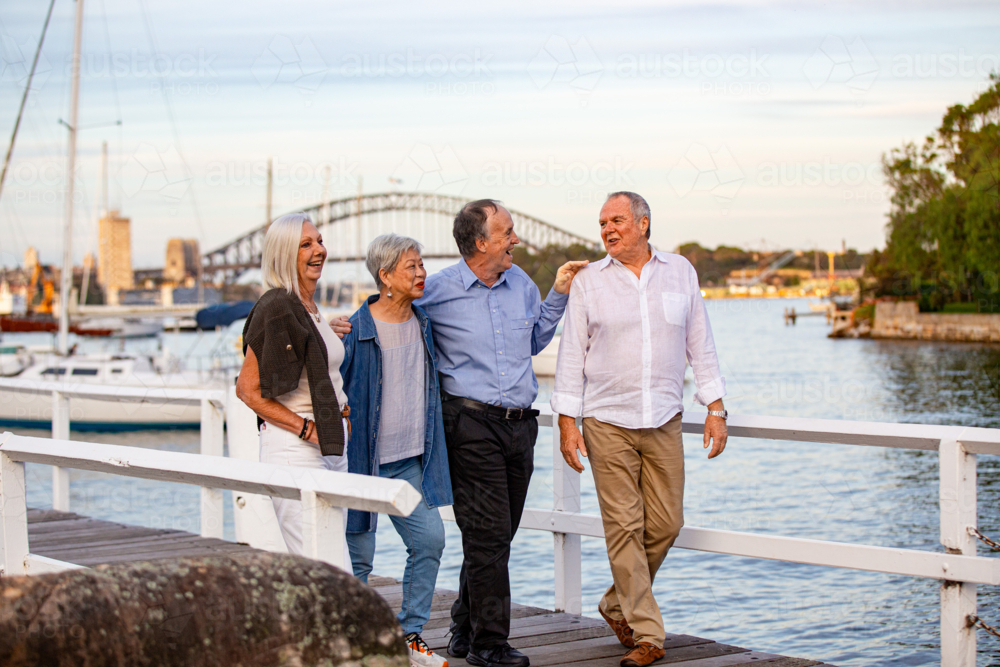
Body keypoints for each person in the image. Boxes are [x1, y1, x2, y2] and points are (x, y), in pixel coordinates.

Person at [551, 192, 729, 667]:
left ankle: (616, 602)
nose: (607, 229)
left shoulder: (680, 271)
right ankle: (648, 635)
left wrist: (715, 405)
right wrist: (568, 423)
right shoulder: (589, 282)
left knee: (668, 522)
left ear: (644, 224)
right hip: (606, 419)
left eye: (617, 220)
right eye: (602, 222)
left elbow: (700, 341)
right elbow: (571, 355)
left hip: (665, 417)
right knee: (624, 526)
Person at [418, 200, 587, 667]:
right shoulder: (436, 290)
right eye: (507, 231)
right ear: (481, 242)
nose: (516, 239)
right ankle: (488, 645)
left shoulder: (523, 285)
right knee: (489, 536)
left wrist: (558, 294)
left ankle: (461, 624)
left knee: (496, 536)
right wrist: (345, 327)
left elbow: (535, 341)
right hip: (469, 425)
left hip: (520, 428)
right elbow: (388, 314)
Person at [340, 234, 452, 667]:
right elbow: (330, 393)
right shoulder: (354, 332)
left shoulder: (424, 323)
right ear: (385, 276)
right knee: (358, 563)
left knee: (430, 541)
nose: (422, 272)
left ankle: (411, 633)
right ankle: (356, 642)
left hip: (411, 464)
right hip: (361, 467)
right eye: (412, 266)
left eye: (422, 264)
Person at [236, 213, 351, 562]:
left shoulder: (307, 309)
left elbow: (305, 355)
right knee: (331, 568)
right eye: (306, 245)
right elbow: (247, 390)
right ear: (285, 254)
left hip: (331, 446)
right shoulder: (277, 306)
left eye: (319, 241)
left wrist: (325, 330)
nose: (319, 250)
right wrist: (304, 428)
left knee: (324, 567)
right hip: (295, 449)